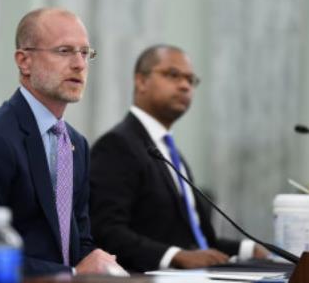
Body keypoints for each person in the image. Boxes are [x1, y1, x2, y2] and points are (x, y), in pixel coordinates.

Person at [0, 8, 125, 280]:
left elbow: (79, 241)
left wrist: (101, 265)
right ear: (24, 61)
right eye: (64, 51)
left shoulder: (75, 144)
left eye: (85, 53)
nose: (79, 64)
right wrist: (72, 273)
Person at [89, 44, 268, 272]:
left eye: (191, 80)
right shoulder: (117, 145)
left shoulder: (169, 151)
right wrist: (174, 256)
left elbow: (196, 242)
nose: (184, 85)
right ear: (141, 81)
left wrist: (247, 249)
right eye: (173, 75)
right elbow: (107, 231)